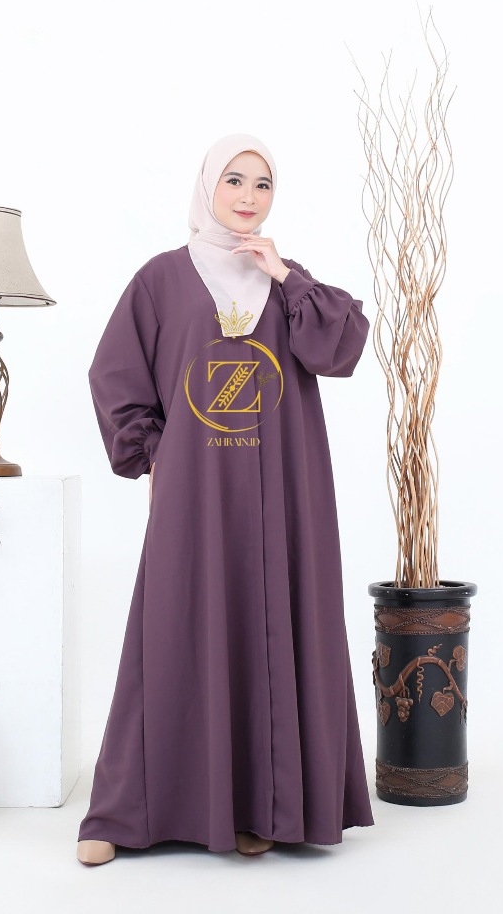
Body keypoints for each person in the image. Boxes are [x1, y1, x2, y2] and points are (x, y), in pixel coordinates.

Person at [77, 134, 374, 866]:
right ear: (207, 186)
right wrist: (153, 454)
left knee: (272, 616)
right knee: (174, 624)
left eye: (263, 184)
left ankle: (260, 807)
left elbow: (339, 350)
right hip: (196, 490)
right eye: (234, 180)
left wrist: (284, 274)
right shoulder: (161, 279)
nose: (248, 196)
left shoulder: (289, 281)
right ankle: (125, 812)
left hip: (285, 487)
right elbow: (115, 372)